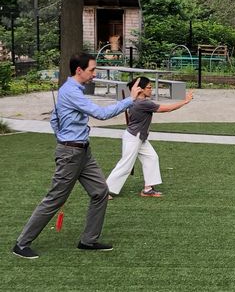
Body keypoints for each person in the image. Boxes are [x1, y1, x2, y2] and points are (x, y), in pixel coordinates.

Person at [12, 52, 141, 259]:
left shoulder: (73, 90)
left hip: (83, 151)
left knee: (100, 191)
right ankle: (21, 243)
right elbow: (101, 114)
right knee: (55, 198)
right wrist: (130, 99)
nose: (94, 74)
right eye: (91, 70)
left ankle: (88, 240)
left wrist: (66, 137)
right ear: (79, 70)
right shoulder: (71, 91)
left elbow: (55, 119)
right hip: (71, 153)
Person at [105, 77, 193, 199]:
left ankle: (148, 189)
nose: (151, 89)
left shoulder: (133, 100)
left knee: (152, 158)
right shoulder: (143, 103)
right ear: (140, 89)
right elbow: (167, 109)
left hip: (139, 137)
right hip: (133, 138)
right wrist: (185, 101)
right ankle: (104, 191)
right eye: (149, 87)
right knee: (125, 165)